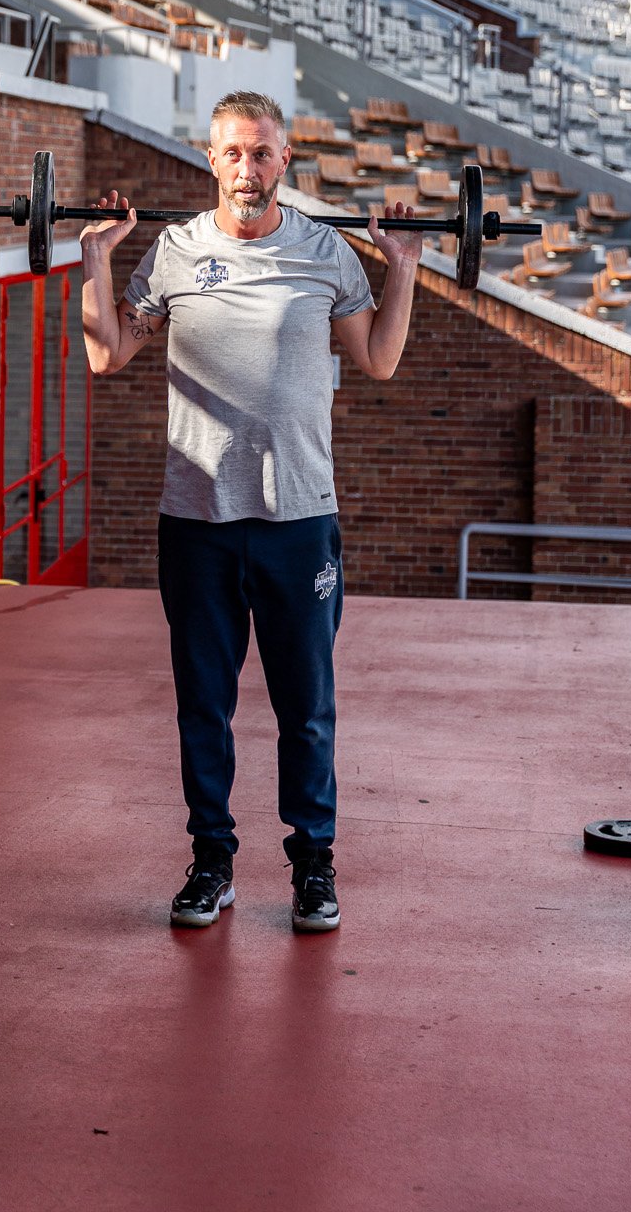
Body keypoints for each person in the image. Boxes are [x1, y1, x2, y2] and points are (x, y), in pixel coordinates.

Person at [80, 91, 421, 934]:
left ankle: (312, 864)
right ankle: (211, 862)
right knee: (205, 703)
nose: (247, 168)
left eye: (262, 153)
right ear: (210, 161)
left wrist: (403, 264)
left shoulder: (324, 253)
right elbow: (105, 354)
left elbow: (377, 360)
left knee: (304, 705)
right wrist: (93, 260)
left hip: (298, 518)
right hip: (196, 519)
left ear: (284, 161)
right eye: (232, 153)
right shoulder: (170, 253)